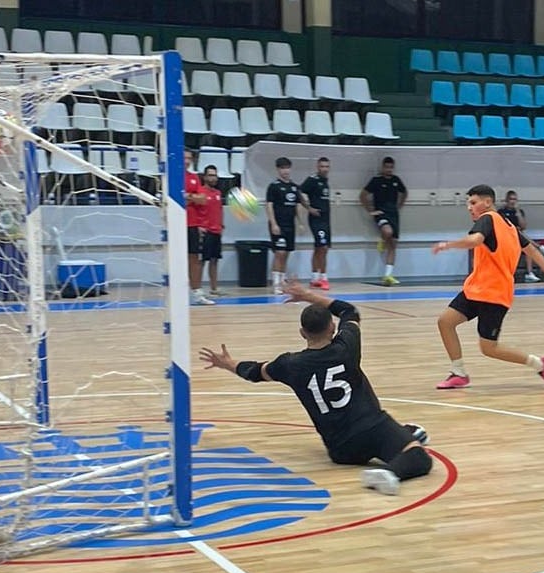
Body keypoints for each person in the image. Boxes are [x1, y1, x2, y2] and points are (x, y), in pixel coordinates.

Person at [198, 285, 434, 496]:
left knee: (403, 435)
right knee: (419, 458)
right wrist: (309, 296)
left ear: (302, 333)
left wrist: (227, 363)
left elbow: (255, 372)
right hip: (372, 427)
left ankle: (405, 433)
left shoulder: (289, 365)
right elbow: (349, 311)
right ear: (332, 327)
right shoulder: (347, 345)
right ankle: (389, 473)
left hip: (340, 449)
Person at [432, 184, 544, 390]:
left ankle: (540, 364)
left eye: (473, 202)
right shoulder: (511, 227)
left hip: (494, 295)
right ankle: (458, 373)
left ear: (487, 203)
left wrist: (448, 245)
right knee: (445, 322)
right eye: (468, 204)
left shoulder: (487, 219)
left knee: (489, 348)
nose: (469, 207)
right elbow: (532, 250)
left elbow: (475, 240)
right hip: (476, 289)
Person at [360, 156, 407, 286]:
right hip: (381, 214)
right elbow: (363, 195)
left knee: (393, 244)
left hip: (394, 214)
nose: (389, 169)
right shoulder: (376, 180)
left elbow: (404, 193)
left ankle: (388, 275)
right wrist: (370, 210)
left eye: (391, 167)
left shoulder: (396, 180)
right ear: (382, 167)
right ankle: (382, 240)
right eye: (387, 167)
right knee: (387, 232)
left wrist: (399, 205)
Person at [266, 157, 303, 294]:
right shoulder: (274, 186)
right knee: (279, 253)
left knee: (286, 253)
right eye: (282, 168)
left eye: (287, 167)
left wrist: (300, 222)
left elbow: (298, 206)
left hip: (290, 225)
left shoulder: (294, 187)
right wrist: (274, 223)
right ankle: (276, 283)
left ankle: (282, 279)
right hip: (278, 225)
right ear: (278, 169)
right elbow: (269, 206)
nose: (285, 170)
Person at [184, 148, 213, 305]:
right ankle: (177, 292)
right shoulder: (173, 176)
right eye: (184, 158)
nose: (186, 161)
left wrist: (188, 196)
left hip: (192, 224)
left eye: (189, 158)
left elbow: (202, 199)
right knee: (175, 259)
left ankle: (196, 293)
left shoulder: (194, 177)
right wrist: (192, 197)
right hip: (176, 224)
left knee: (194, 258)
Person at [300, 157, 332, 290]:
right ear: (317, 167)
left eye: (326, 166)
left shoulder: (325, 182)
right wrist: (309, 208)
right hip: (316, 219)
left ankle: (314, 278)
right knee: (323, 247)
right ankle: (324, 278)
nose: (324, 169)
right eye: (322, 166)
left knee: (320, 247)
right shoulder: (312, 180)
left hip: (326, 219)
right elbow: (298, 192)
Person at [497, 190, 539, 282]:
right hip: (505, 238)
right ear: (506, 200)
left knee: (529, 248)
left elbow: (523, 226)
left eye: (515, 199)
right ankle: (539, 246)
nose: (513, 201)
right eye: (511, 199)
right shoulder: (501, 211)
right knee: (517, 232)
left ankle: (529, 273)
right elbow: (500, 227)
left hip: (518, 237)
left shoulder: (519, 211)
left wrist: (517, 212)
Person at [198, 165, 225, 296]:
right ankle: (197, 288)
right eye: (210, 175)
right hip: (205, 232)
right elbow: (194, 211)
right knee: (201, 261)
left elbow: (220, 210)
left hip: (216, 231)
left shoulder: (218, 193)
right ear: (204, 177)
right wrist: (198, 226)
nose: (213, 178)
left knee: (215, 260)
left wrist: (221, 225)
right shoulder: (200, 193)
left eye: (215, 175)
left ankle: (214, 288)